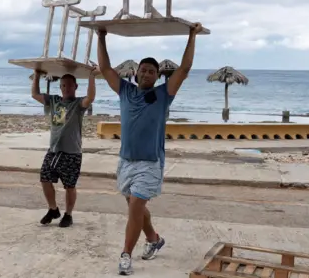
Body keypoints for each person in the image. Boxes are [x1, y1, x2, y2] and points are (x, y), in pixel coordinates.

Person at [96, 23, 203, 275]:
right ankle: (154, 239)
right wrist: (101, 36)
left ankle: (125, 255)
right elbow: (104, 68)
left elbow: (185, 68)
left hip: (149, 163)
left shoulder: (163, 94)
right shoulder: (125, 91)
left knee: (135, 208)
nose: (146, 74)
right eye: (143, 70)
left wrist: (191, 36)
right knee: (136, 208)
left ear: (157, 76)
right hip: (126, 161)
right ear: (136, 74)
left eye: (151, 71)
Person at [30, 66, 98, 227]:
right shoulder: (54, 100)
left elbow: (91, 97)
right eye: (64, 85)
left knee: (69, 186)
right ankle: (53, 209)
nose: (67, 88)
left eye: (70, 85)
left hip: (72, 152)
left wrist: (92, 76)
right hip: (53, 150)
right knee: (44, 178)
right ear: (60, 87)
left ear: (75, 87)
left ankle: (68, 214)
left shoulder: (78, 104)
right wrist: (37, 75)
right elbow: (34, 94)